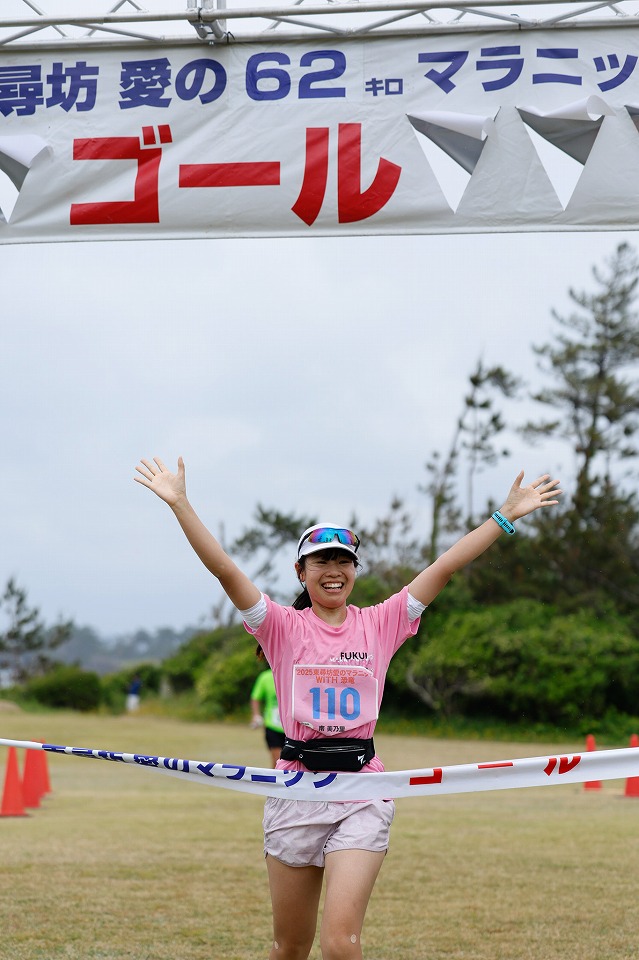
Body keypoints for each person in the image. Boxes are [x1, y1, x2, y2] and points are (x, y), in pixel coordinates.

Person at [134, 456, 560, 960]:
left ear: (355, 570)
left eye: (344, 561)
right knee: (290, 947)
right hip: (295, 792)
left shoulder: (381, 622)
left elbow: (445, 566)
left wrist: (504, 517)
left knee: (341, 945)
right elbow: (225, 569)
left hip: (362, 792)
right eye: (321, 562)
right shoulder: (280, 626)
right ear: (301, 572)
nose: (334, 571)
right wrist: (181, 504)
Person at [250, 665, 286, 767]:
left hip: (291, 729)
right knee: (277, 761)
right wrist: (256, 715)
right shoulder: (265, 677)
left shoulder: (292, 674)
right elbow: (255, 698)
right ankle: (275, 777)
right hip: (272, 726)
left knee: (290, 763)